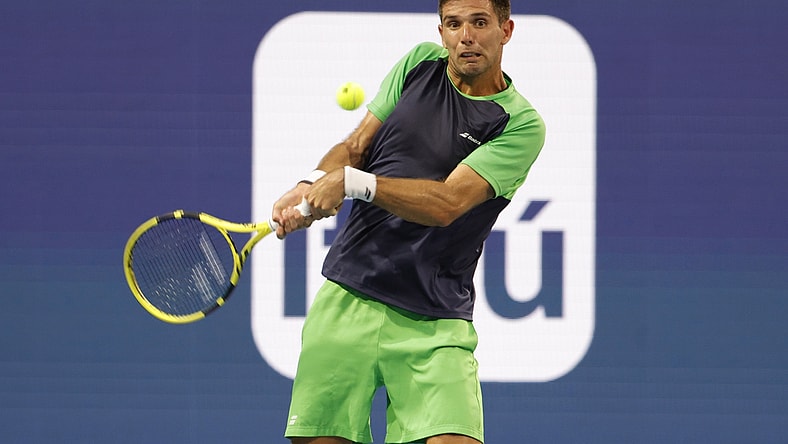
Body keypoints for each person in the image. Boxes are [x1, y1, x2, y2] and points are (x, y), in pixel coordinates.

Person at [272, 0, 545, 442]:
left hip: (434, 317)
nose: (466, 37)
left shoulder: (519, 124)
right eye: (454, 24)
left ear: (506, 30)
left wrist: (351, 183)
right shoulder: (419, 64)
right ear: (441, 32)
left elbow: (447, 203)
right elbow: (356, 147)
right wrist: (313, 184)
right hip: (348, 298)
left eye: (479, 23)